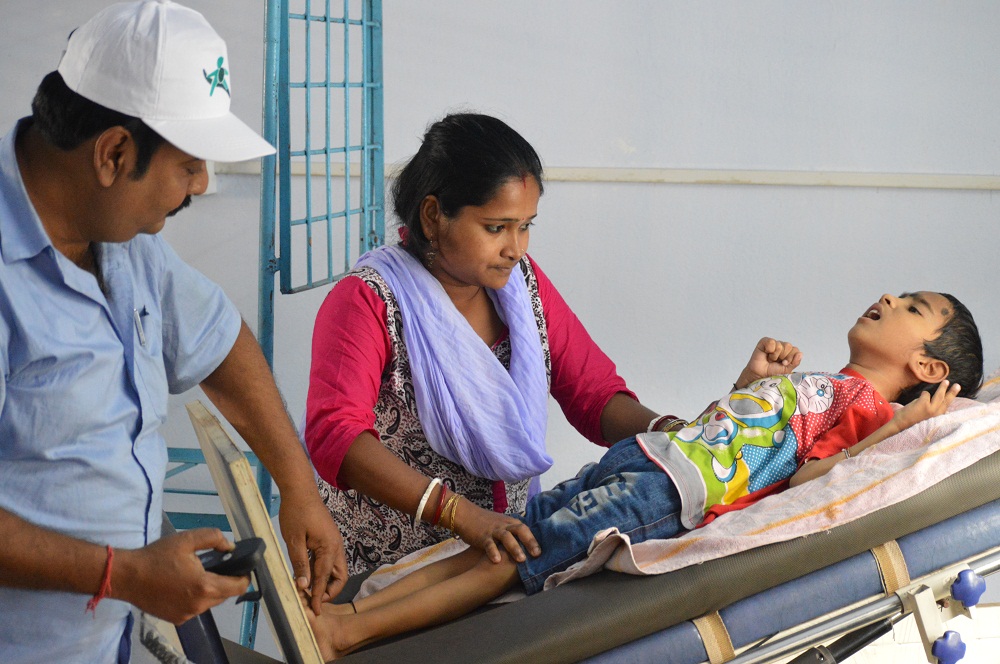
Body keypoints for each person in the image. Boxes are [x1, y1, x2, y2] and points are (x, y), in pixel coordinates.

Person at [305, 290, 984, 658]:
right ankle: (356, 612)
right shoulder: (825, 386)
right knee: (503, 536)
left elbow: (807, 485)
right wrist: (752, 381)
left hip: (665, 494)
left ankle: (354, 630)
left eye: (913, 308)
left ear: (928, 369)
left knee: (515, 559)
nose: (889, 297)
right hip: (651, 458)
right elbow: (726, 435)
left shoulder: (866, 412)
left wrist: (897, 431)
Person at [0, 2, 346, 662]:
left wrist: (299, 490)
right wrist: (123, 575)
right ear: (114, 152)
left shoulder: (120, 238)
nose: (201, 185)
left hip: (108, 640)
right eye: (189, 166)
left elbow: (222, 343)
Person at [304, 113, 794, 575]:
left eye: (526, 226)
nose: (516, 248)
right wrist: (459, 515)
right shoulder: (368, 302)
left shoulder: (521, 287)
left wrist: (688, 438)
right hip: (391, 567)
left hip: (494, 557)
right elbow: (336, 437)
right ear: (433, 216)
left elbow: (594, 396)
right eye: (496, 228)